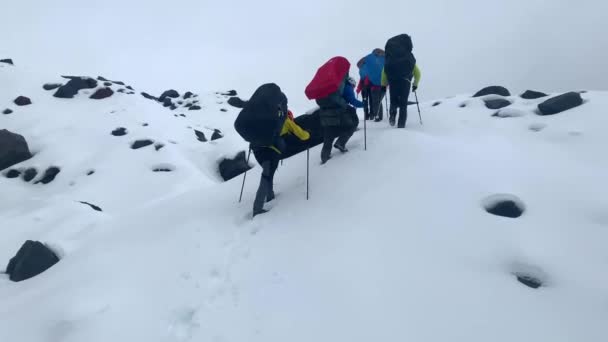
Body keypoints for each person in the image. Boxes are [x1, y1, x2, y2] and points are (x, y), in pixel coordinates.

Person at [251, 111, 310, 217]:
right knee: (266, 175)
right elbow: (302, 135)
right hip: (270, 151)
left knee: (268, 173)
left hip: (257, 150)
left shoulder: (264, 120)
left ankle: (270, 196)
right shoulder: (286, 121)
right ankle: (257, 208)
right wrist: (308, 133)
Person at [317, 75, 363, 164]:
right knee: (352, 124)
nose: (353, 88)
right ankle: (341, 142)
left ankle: (324, 157)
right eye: (353, 86)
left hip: (324, 114)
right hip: (338, 112)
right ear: (351, 83)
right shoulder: (347, 86)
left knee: (328, 135)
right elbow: (353, 101)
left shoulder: (326, 88)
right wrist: (363, 104)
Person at [381, 34, 422, 128]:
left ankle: (392, 116)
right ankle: (401, 125)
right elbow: (418, 73)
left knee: (393, 101)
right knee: (403, 104)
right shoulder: (408, 59)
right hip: (405, 82)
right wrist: (415, 84)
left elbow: (384, 72)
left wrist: (383, 85)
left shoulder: (390, 59)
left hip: (393, 82)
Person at [357, 48, 386, 122]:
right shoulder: (383, 60)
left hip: (372, 86)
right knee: (376, 101)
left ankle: (375, 116)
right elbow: (362, 80)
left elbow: (362, 78)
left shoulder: (370, 65)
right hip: (379, 85)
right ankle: (373, 115)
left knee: (375, 101)